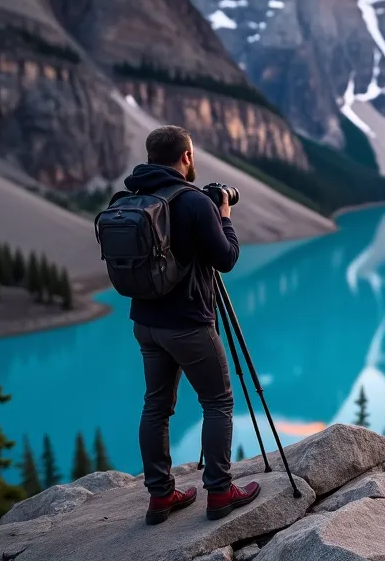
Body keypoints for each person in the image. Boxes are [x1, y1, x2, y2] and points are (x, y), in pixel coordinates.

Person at [123, 125, 259, 524]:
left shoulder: (135, 198)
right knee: (218, 403)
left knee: (156, 407)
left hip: (145, 323)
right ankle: (219, 492)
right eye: (192, 154)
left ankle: (161, 497)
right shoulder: (195, 202)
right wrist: (225, 214)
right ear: (186, 157)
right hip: (188, 323)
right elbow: (226, 259)